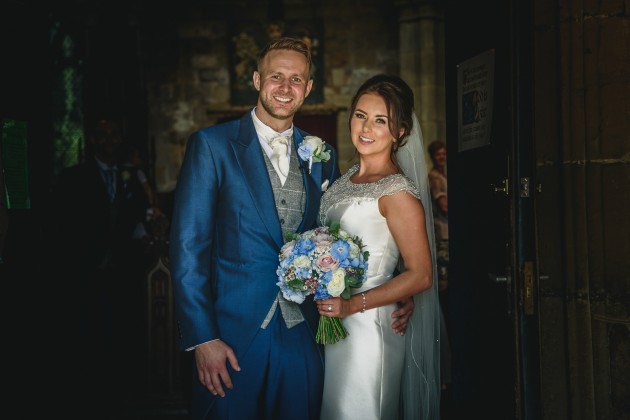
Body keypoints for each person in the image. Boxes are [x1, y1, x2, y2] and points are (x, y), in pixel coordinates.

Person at [170, 37, 416, 420]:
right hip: (232, 338)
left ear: (309, 88)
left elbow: (344, 231)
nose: (285, 88)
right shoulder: (212, 146)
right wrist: (204, 338)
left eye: (296, 79)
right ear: (256, 79)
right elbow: (188, 250)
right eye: (276, 77)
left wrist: (398, 288)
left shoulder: (323, 155)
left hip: (307, 336)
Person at [316, 74, 441, 420]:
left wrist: (353, 304)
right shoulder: (343, 181)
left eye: (380, 120)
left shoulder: (397, 192)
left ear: (400, 131)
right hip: (334, 321)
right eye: (360, 115)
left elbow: (422, 275)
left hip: (369, 327)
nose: (366, 127)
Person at [48, 116, 150, 416]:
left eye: (113, 134)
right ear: (93, 139)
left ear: (120, 138)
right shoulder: (73, 176)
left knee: (120, 332)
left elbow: (142, 212)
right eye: (102, 135)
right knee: (87, 331)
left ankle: (120, 392)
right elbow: (62, 225)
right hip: (84, 269)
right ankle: (87, 394)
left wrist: (139, 171)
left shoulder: (129, 175)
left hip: (122, 269)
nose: (108, 140)